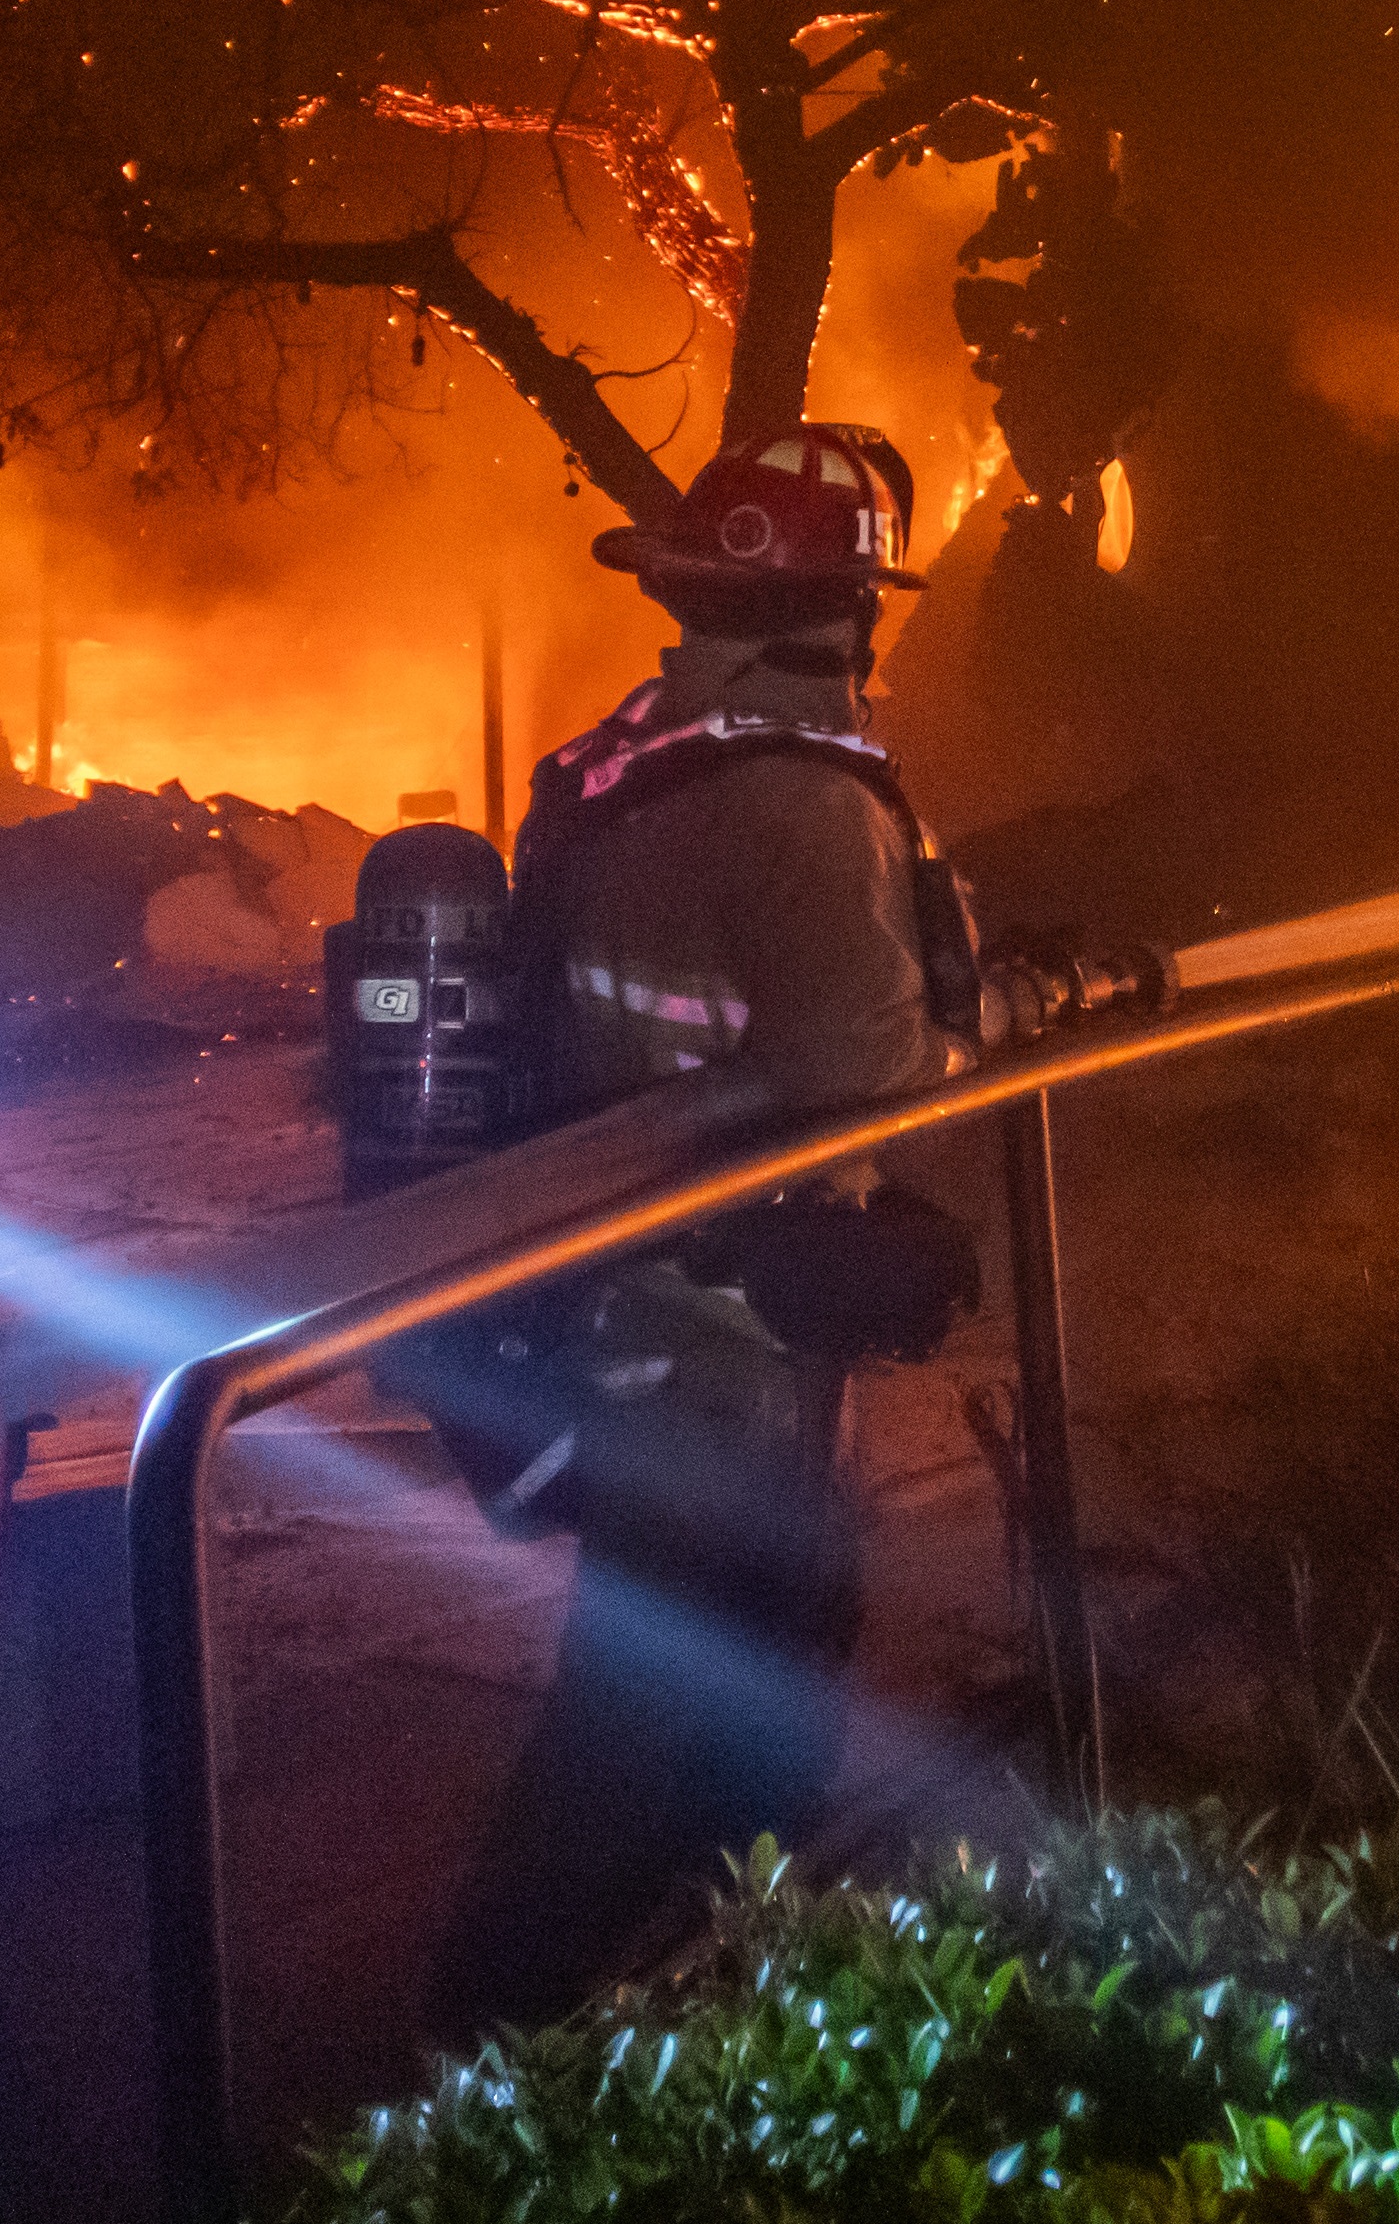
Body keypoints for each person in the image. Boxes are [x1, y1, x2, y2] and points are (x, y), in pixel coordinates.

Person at [413, 420, 981, 2038]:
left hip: (634, 1317)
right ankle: (486, 2077)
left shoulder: (633, 754)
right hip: (723, 1347)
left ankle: (701, 2045)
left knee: (749, 1694)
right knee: (673, 1724)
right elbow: (865, 1065)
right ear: (849, 608)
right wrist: (974, 1004)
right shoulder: (801, 798)